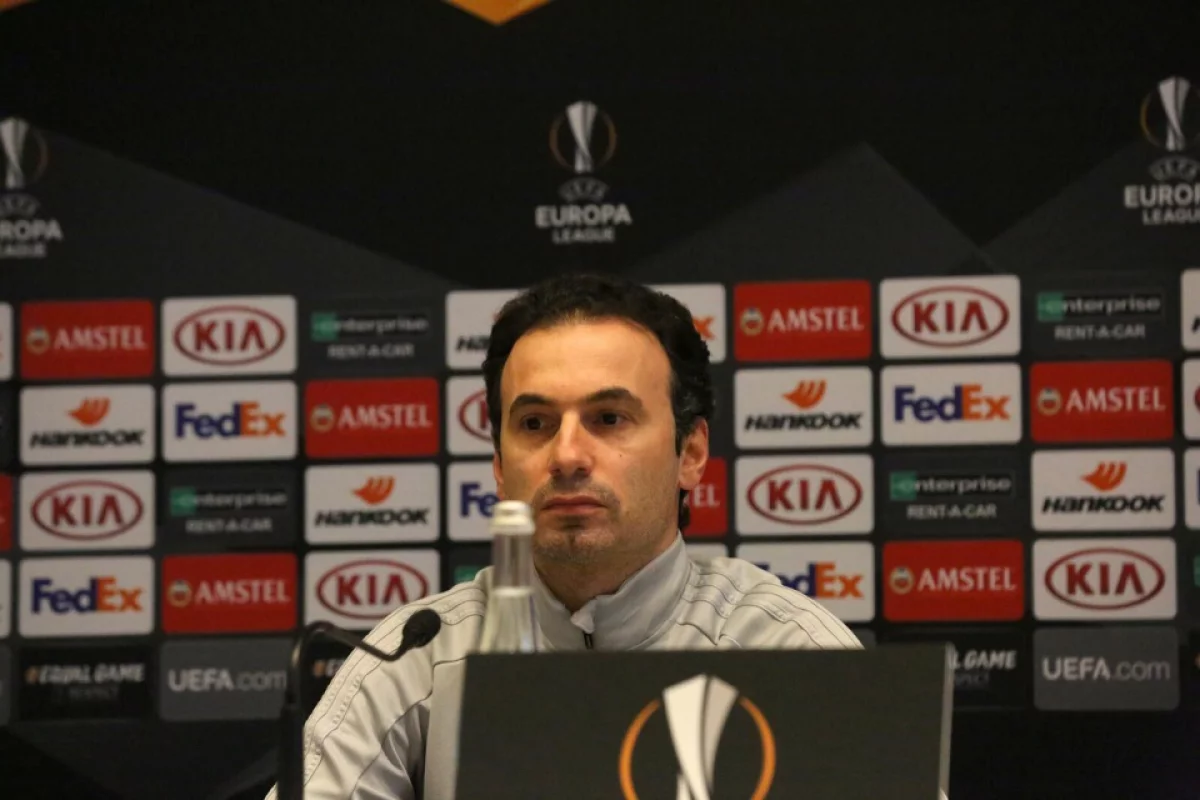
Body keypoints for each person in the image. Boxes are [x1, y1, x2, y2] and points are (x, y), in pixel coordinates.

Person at [268, 272, 862, 800]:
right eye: (535, 423)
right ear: (500, 465)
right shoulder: (415, 657)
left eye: (609, 418)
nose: (567, 455)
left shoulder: (793, 655)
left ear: (691, 452)